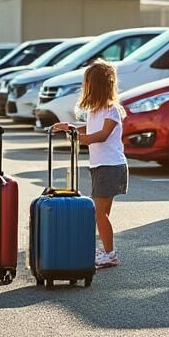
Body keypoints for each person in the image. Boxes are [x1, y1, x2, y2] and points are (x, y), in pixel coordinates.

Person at [52, 60, 126, 269]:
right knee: (102, 212)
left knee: (97, 211)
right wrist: (72, 128)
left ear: (98, 85)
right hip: (101, 166)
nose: (85, 87)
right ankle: (106, 249)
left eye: (88, 83)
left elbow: (102, 135)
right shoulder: (96, 110)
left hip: (111, 167)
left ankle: (110, 254)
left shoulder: (112, 110)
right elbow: (91, 127)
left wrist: (81, 138)